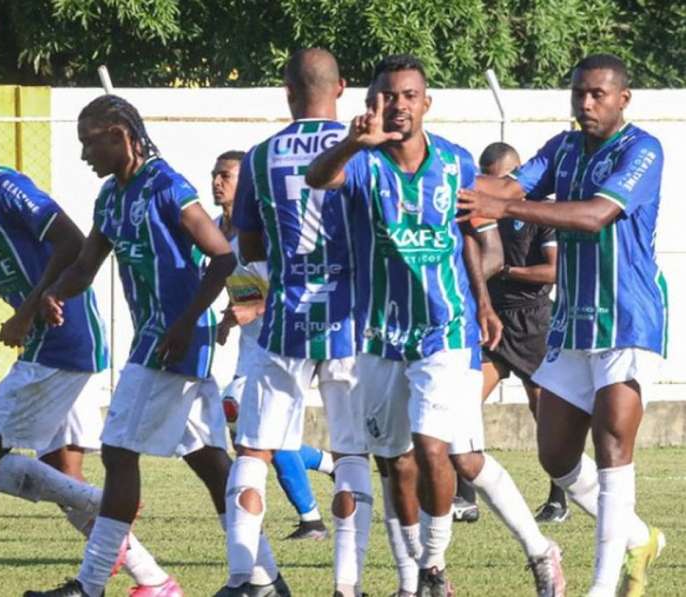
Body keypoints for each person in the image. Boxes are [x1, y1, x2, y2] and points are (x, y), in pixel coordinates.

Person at [307, 54, 565, 597]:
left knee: (436, 448)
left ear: (426, 102)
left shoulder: (454, 162)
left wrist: (482, 300)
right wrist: (355, 141)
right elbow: (318, 178)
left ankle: (433, 569)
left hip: (446, 329)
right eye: (386, 96)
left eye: (407, 96)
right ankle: (420, 577)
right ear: (370, 102)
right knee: (397, 462)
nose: (397, 106)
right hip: (380, 334)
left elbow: (473, 236)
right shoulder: (362, 163)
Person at [0, 111, 179, 595]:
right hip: (50, 339)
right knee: (57, 472)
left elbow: (71, 241)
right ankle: (153, 580)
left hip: (59, 337)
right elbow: (1, 278)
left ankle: (105, 501)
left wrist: (27, 313)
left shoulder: (6, 186)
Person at [19, 94, 252, 597]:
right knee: (211, 462)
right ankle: (258, 574)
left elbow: (222, 258)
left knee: (119, 453)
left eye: (90, 143)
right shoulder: (111, 197)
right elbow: (84, 265)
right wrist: (55, 293)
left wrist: (186, 323)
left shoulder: (169, 187)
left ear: (121, 135)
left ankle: (90, 584)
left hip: (172, 341)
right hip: (156, 338)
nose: (85, 156)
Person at [458, 53, 668, 597]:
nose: (586, 103)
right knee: (555, 456)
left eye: (598, 94)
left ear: (623, 98)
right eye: (579, 93)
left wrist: (506, 210)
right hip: (572, 320)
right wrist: (435, 171)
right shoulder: (564, 147)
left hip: (625, 314)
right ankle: (640, 536)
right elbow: (511, 186)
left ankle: (601, 587)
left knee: (612, 445)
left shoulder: (643, 150)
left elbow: (596, 214)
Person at [217, 48, 369, 597]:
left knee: (254, 449)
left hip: (285, 319)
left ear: (287, 91)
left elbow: (249, 244)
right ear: (342, 88)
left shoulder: (260, 157)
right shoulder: (363, 153)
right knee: (350, 452)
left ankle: (245, 578)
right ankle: (346, 586)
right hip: (349, 319)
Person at [212, 150, 335, 541]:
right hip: (251, 346)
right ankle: (327, 466)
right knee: (259, 432)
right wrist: (230, 319)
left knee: (257, 424)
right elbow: (235, 283)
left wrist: (256, 309)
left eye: (226, 175)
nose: (217, 182)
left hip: (281, 340)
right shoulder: (217, 229)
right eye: (215, 175)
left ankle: (312, 519)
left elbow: (291, 284)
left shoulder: (264, 229)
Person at [452, 142, 566, 525]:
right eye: (485, 178)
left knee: (546, 415)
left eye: (498, 179)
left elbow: (552, 272)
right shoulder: (476, 209)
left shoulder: (540, 211)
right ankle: (464, 499)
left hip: (533, 321)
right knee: (463, 406)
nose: (490, 188)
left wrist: (505, 273)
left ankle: (558, 499)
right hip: (494, 318)